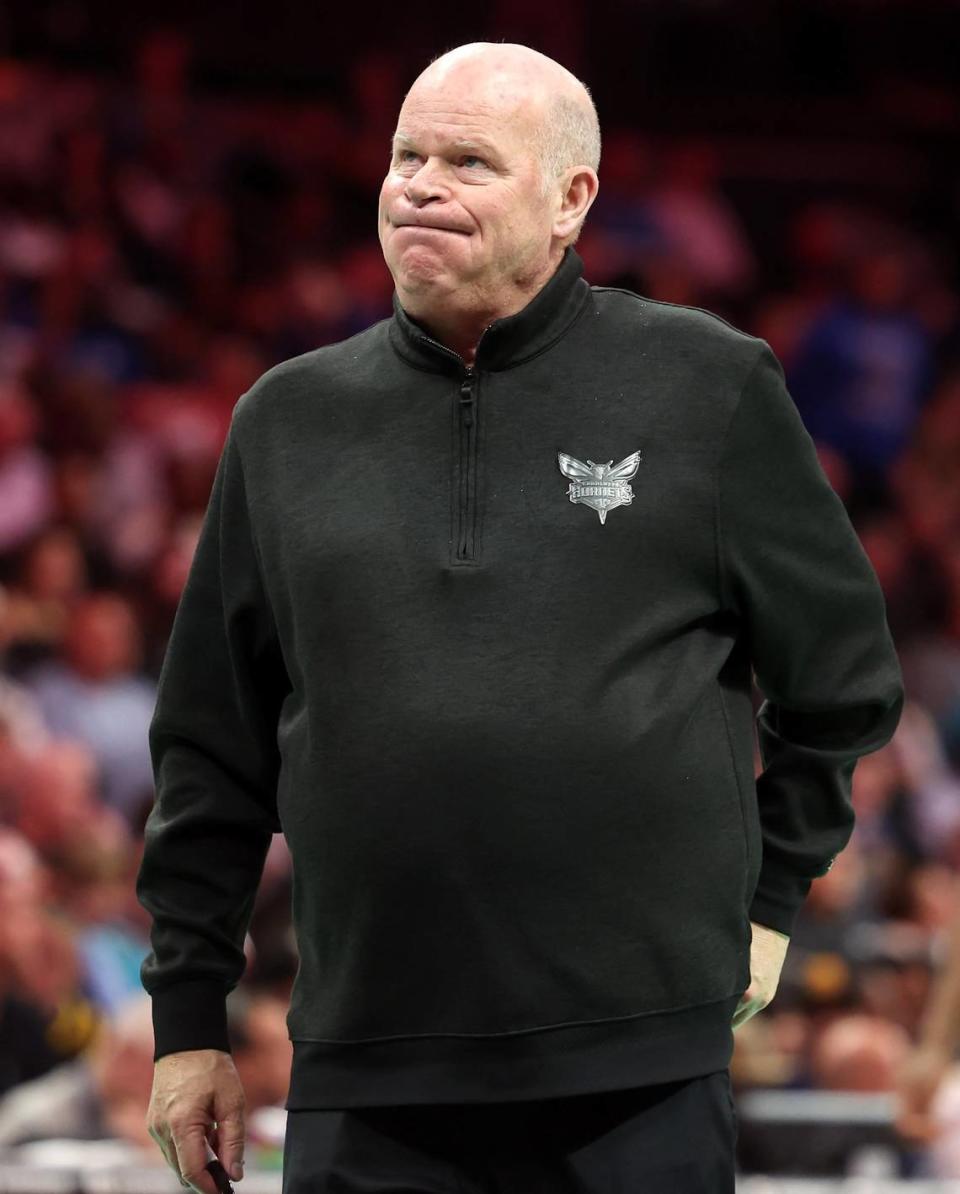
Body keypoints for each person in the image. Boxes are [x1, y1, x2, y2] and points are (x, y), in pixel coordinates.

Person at [136, 40, 905, 1194]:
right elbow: (210, 748)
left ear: (571, 198)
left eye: (468, 160)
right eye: (406, 155)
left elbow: (841, 683)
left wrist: (771, 895)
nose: (420, 184)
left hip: (639, 1066)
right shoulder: (285, 423)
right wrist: (188, 1019)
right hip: (364, 1065)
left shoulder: (708, 386)